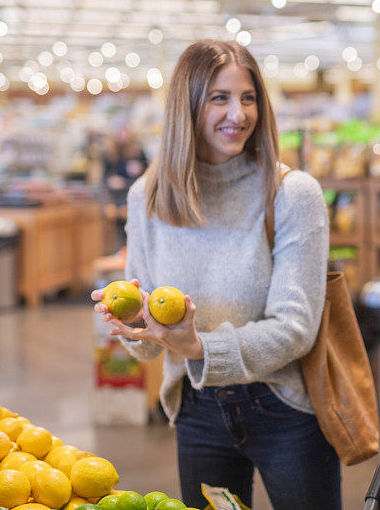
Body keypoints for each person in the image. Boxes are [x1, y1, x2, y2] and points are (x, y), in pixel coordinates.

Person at [91, 39, 340, 510]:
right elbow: (147, 342)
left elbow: (295, 328)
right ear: (187, 106)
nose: (239, 114)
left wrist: (199, 346)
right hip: (196, 409)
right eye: (220, 98)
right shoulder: (149, 196)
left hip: (283, 406)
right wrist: (134, 325)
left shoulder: (293, 194)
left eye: (248, 98)